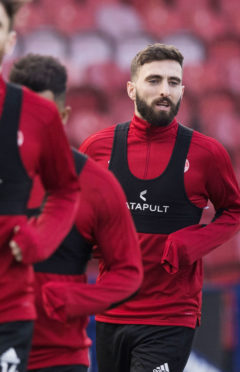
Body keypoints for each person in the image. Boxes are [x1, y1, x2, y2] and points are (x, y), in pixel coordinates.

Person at [79, 43, 240, 372]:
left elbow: (234, 212)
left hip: (171, 315)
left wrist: (192, 242)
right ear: (131, 88)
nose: (164, 90)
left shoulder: (207, 153)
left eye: (173, 82)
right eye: (154, 80)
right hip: (112, 309)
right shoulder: (97, 148)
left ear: (182, 89)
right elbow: (76, 215)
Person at [9, 53, 144, 372]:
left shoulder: (96, 185)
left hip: (58, 359)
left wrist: (70, 300)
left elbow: (128, 273)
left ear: (64, 116)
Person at [0, 2, 81, 372]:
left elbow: (65, 191)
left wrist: (39, 239)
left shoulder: (38, 114)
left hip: (8, 309)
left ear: (9, 40)